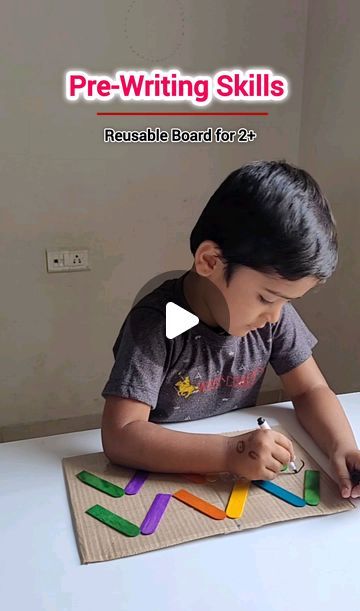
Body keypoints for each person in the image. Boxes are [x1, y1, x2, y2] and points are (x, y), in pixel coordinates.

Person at [101, 160, 360, 499]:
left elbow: (310, 390)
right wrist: (228, 453)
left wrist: (343, 445)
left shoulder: (273, 315)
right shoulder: (155, 322)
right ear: (210, 261)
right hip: (166, 476)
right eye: (267, 297)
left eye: (285, 302)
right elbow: (121, 435)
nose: (275, 315)